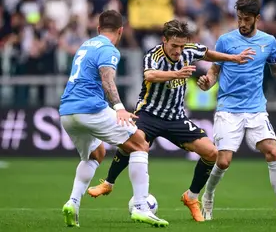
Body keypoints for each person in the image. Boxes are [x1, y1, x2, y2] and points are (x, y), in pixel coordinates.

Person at [87, 19, 255, 222]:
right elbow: (150, 75)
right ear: (164, 40)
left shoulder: (189, 51)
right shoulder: (154, 54)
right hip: (148, 113)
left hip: (176, 117)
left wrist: (234, 58)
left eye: (182, 46)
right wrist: (176, 73)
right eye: (174, 46)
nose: (178, 51)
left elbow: (208, 53)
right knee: (133, 143)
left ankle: (191, 197)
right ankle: (109, 183)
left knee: (211, 153)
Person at [197, 0, 276, 221]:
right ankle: (209, 195)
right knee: (223, 161)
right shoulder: (225, 40)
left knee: (272, 151)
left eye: (247, 19)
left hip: (256, 109)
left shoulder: (269, 41)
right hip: (228, 108)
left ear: (257, 19)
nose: (242, 23)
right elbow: (214, 71)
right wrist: (207, 82)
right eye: (239, 18)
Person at [59, 10, 169, 228]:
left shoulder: (86, 45)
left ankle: (73, 202)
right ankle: (140, 207)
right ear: (121, 31)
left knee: (96, 153)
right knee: (140, 143)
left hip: (67, 112)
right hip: (90, 108)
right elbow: (107, 78)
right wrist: (118, 107)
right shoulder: (109, 49)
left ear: (99, 29)